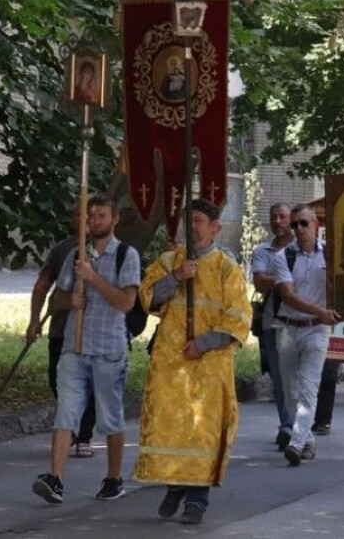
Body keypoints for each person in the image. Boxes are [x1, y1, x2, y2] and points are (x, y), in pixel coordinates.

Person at [133, 199, 252, 524]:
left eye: (199, 220)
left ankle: (196, 501)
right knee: (174, 426)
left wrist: (203, 343)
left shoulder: (227, 268)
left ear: (216, 226)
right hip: (172, 364)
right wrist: (175, 278)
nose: (193, 227)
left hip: (209, 364)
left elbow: (239, 317)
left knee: (204, 430)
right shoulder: (170, 260)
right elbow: (147, 297)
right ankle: (175, 486)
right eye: (189, 220)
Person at [32, 195, 141, 504]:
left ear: (114, 219)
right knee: (66, 411)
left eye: (101, 215)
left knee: (110, 417)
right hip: (74, 347)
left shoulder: (126, 255)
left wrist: (93, 279)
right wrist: (71, 301)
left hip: (108, 348)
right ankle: (55, 479)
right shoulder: (77, 255)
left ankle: (113, 478)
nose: (94, 221)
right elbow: (57, 299)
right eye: (90, 216)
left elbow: (126, 302)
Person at [273, 204, 339, 465]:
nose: (299, 229)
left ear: (316, 225)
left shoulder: (330, 255)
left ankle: (297, 444)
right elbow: (287, 295)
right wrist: (319, 311)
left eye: (304, 223)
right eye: (295, 224)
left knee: (308, 388)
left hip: (317, 330)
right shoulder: (283, 256)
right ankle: (307, 440)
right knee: (291, 392)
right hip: (288, 328)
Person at [26, 217, 96, 459]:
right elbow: (42, 285)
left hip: (94, 331)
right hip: (61, 329)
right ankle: (72, 427)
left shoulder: (109, 250)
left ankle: (83, 435)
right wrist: (34, 320)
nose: (88, 221)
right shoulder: (63, 250)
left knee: (91, 383)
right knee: (57, 379)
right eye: (83, 216)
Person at [250, 203, 294, 449]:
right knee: (279, 378)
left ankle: (298, 426)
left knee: (298, 377)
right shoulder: (262, 250)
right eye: (274, 217)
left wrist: (275, 279)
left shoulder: (302, 248)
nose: (278, 221)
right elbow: (259, 283)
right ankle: (287, 425)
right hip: (272, 320)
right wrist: (288, 278)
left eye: (283, 217)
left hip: (301, 320)